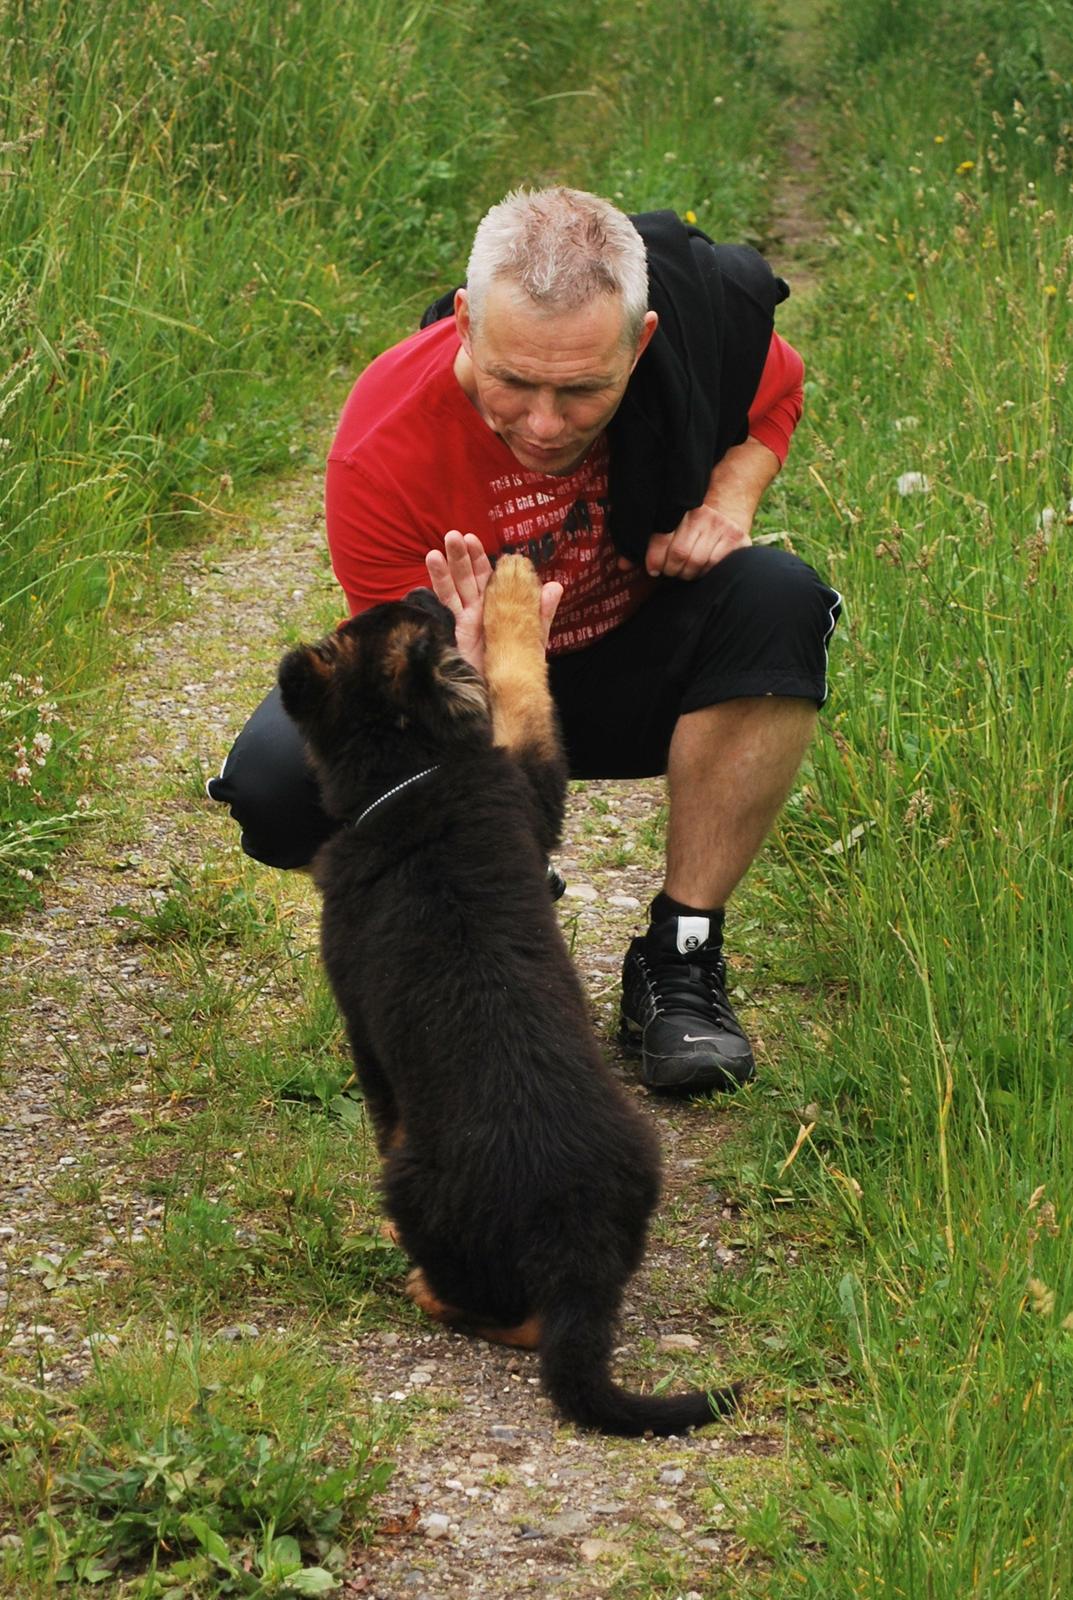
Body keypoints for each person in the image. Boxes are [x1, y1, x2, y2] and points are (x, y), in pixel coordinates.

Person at [208, 186, 841, 1095]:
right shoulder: (380, 441)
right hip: (470, 684)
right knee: (277, 784)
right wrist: (469, 685)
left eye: (583, 390)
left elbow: (777, 392)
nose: (545, 424)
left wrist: (728, 497)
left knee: (777, 597)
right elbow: (387, 702)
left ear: (640, 343)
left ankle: (680, 957)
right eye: (513, 382)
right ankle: (482, 914)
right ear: (465, 325)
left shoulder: (694, 333)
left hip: (636, 661)